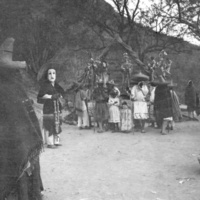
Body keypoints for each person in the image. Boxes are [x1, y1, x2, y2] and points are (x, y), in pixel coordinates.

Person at [0, 38, 43, 200]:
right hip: (13, 142)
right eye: (14, 70)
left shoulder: (13, 88)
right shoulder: (10, 89)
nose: (18, 73)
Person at [37, 67, 65, 148]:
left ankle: (57, 141)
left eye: (54, 73)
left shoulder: (57, 85)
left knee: (57, 123)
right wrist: (51, 96)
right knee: (50, 124)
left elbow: (62, 93)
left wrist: (60, 96)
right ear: (46, 75)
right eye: (50, 73)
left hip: (57, 107)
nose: (52, 75)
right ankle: (50, 143)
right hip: (48, 107)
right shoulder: (44, 86)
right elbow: (40, 96)